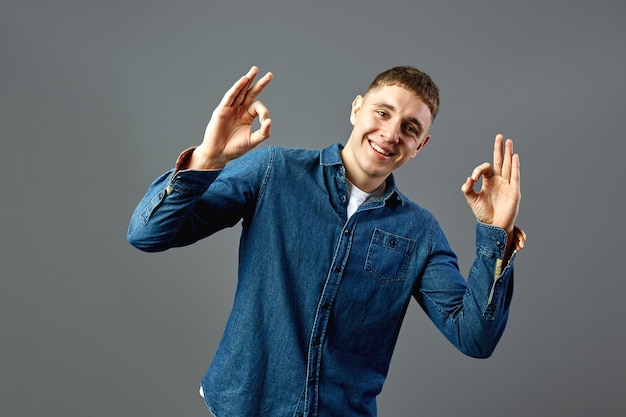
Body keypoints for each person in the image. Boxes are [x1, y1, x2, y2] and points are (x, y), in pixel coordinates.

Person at [127, 65, 526, 417]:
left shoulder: (420, 231)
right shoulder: (275, 171)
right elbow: (147, 234)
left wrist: (496, 233)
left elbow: (474, 338)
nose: (390, 133)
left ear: (420, 145)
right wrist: (208, 156)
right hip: (243, 406)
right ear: (356, 109)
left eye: (410, 128)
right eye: (382, 112)